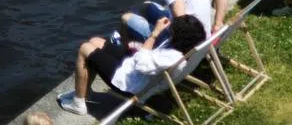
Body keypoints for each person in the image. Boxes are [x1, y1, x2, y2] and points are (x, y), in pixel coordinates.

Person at [57, 15, 207, 116]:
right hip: (134, 70)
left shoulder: (173, 57)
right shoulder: (186, 48)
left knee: (85, 48)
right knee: (96, 41)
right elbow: (147, 60)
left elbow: (142, 63)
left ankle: (78, 103)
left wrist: (154, 33)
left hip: (130, 84)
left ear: (180, 36)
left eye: (173, 30)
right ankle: (84, 92)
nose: (170, 31)